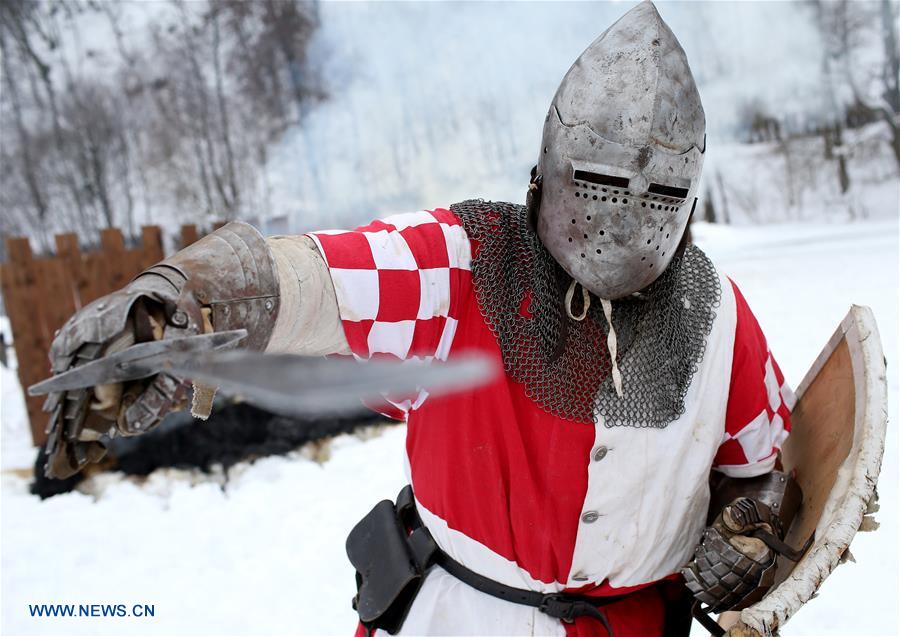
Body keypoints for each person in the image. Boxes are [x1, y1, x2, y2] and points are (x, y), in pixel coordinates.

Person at [42, 3, 798, 636]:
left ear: (690, 202)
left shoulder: (716, 314)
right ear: (550, 168)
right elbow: (320, 277)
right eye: (598, 180)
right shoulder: (463, 260)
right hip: (456, 615)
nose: (622, 219)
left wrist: (750, 529)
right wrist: (174, 299)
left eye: (658, 195)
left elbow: (764, 467)